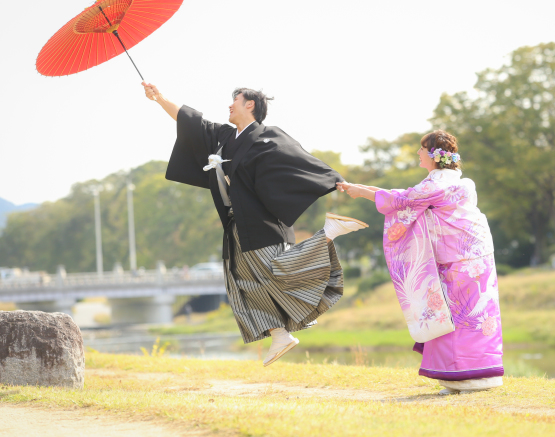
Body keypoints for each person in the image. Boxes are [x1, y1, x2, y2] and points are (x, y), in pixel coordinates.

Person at [142, 82, 367, 366]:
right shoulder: (224, 137)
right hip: (236, 225)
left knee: (279, 272)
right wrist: (160, 98)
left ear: (250, 104)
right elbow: (191, 122)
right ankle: (280, 335)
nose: (229, 104)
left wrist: (332, 179)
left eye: (234, 99)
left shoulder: (268, 136)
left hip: (263, 220)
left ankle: (328, 233)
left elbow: (299, 161)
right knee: (242, 282)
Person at [337, 130, 503, 394]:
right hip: (476, 254)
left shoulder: (434, 184)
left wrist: (361, 192)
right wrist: (363, 189)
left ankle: (465, 378)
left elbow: (402, 200)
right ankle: (476, 376)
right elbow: (406, 195)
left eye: (421, 149)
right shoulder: (459, 182)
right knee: (476, 315)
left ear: (434, 155)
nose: (418, 153)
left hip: (458, 258)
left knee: (453, 316)